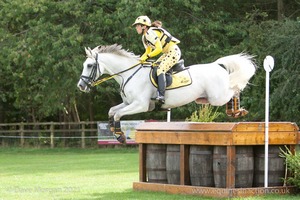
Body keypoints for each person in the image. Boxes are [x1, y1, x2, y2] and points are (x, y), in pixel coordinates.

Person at [132, 16, 181, 103]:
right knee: (154, 66)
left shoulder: (150, 33)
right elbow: (147, 51)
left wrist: (147, 57)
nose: (136, 28)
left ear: (144, 26)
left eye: (137, 25)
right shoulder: (144, 37)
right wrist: (139, 60)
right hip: (167, 53)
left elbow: (158, 49)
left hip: (173, 51)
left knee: (160, 69)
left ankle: (161, 95)